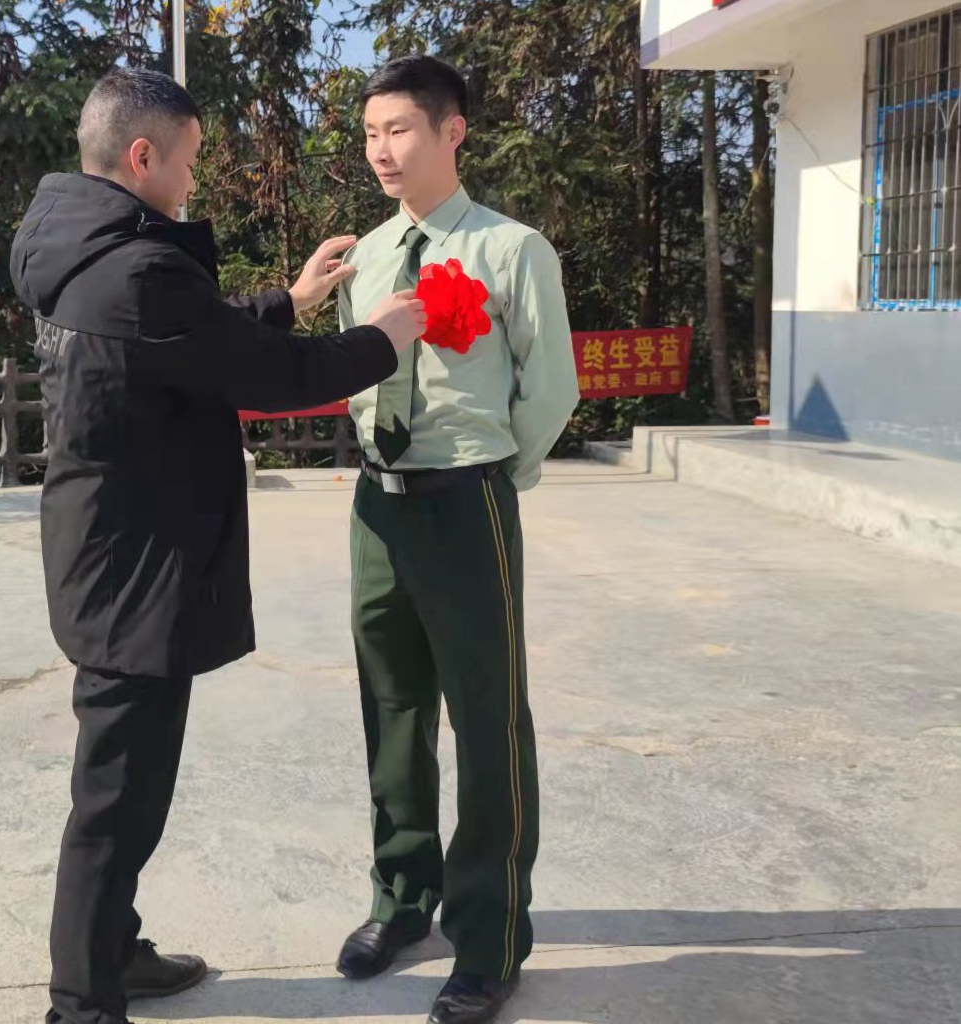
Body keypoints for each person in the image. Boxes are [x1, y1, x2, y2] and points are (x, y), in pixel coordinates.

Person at [10, 67, 425, 1024]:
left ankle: (113, 952)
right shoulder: (139, 270)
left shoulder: (73, 242)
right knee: (116, 804)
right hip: (133, 569)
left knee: (126, 791)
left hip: (105, 546)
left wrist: (287, 297)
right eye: (189, 162)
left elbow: (185, 341)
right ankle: (82, 1003)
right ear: (142, 156)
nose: (194, 181)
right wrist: (384, 337)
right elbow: (272, 376)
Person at [333, 55, 581, 1024]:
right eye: (369, 134)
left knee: (486, 719)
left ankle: (487, 936)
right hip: (376, 504)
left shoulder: (510, 249)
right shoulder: (365, 255)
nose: (380, 150)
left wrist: (496, 477)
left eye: (398, 129)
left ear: (451, 132)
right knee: (391, 705)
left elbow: (549, 387)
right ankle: (401, 897)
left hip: (466, 501)